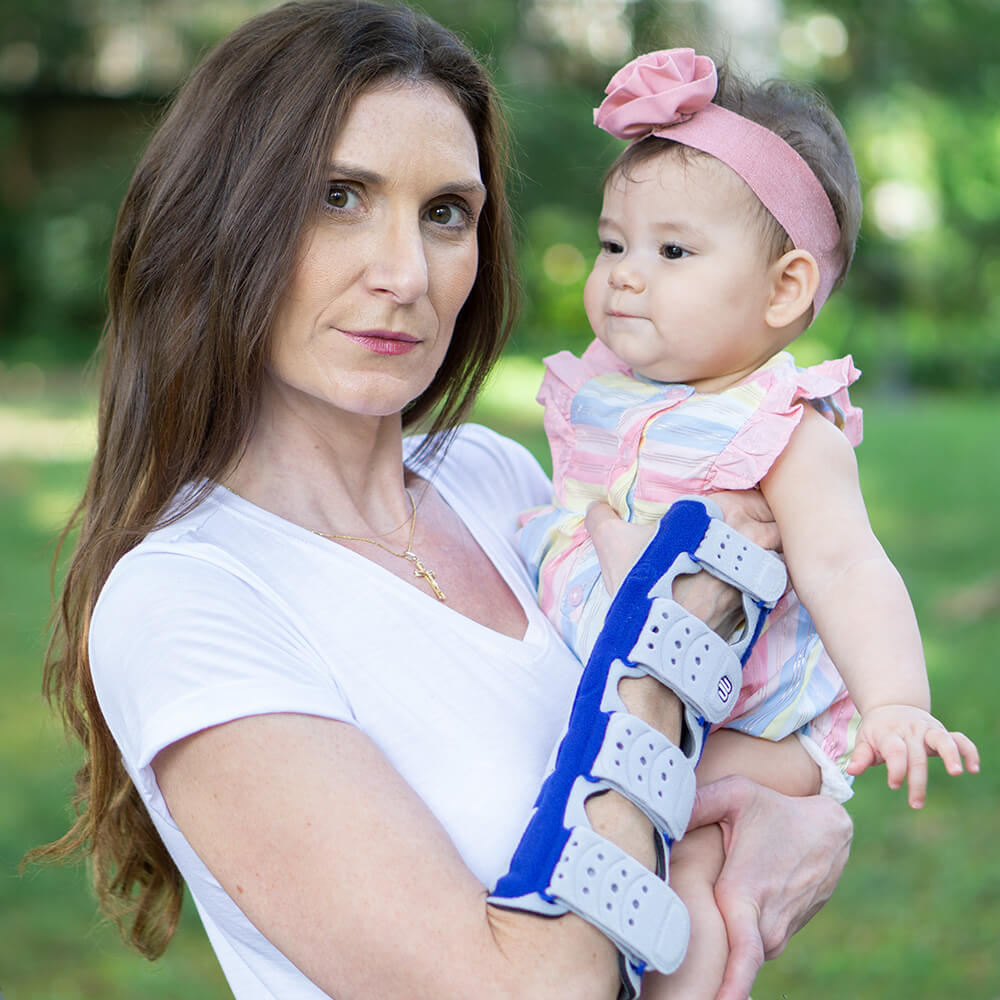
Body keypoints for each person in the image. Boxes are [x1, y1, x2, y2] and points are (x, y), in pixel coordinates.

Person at [29, 7, 856, 1000]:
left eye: (445, 213)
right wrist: (669, 642)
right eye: (338, 196)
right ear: (222, 217)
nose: (404, 274)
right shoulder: (188, 602)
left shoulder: (495, 480)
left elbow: (719, 818)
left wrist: (802, 818)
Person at [519, 48, 980, 998]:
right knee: (605, 833)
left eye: (672, 252)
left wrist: (895, 701)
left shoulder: (783, 429)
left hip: (750, 721)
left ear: (783, 289)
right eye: (615, 246)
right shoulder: (606, 391)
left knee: (684, 872)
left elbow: (850, 567)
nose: (626, 279)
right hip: (643, 679)